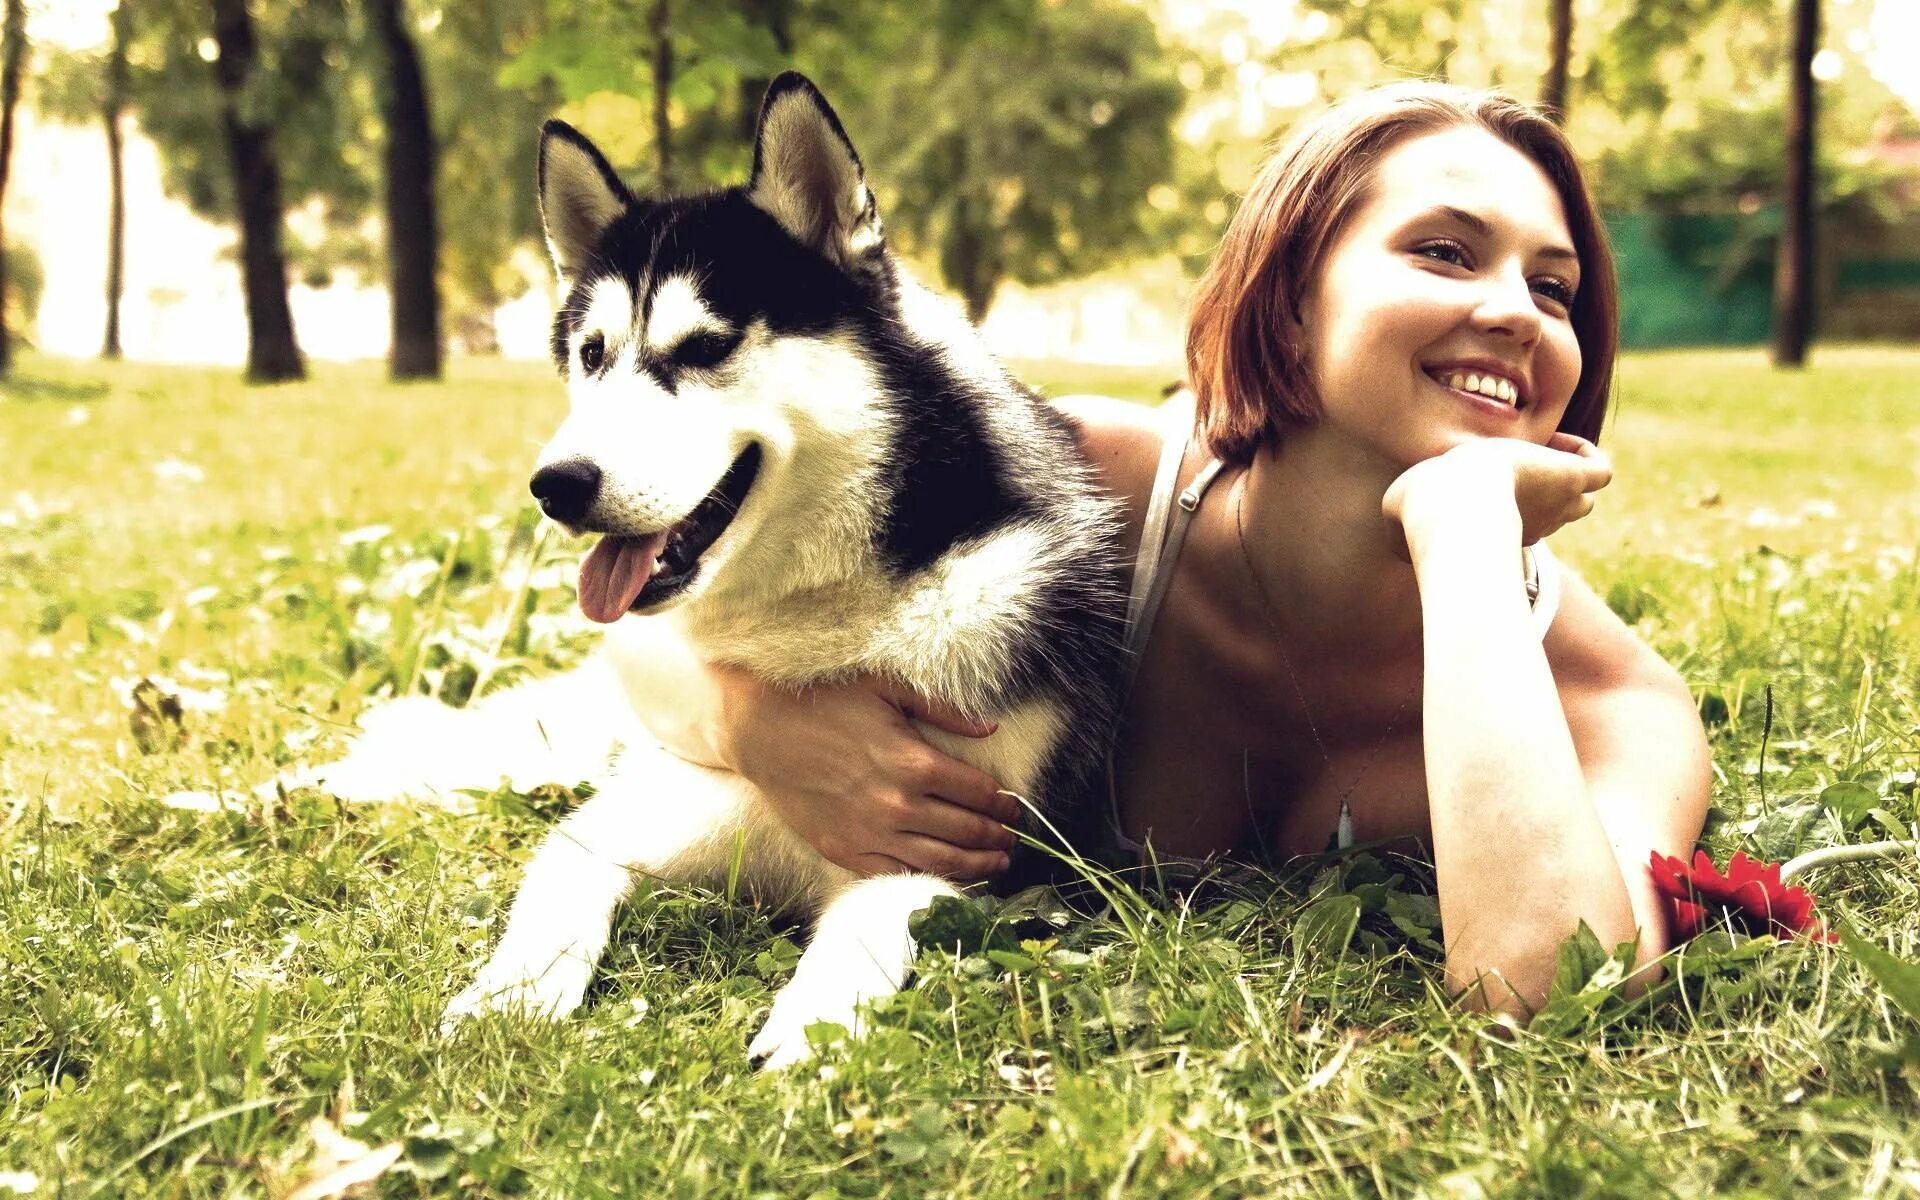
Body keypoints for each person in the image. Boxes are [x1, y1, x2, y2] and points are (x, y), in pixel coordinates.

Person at [612, 82, 1713, 1018]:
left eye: (1554, 287)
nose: (1518, 312)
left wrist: (1464, 530)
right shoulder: (1080, 475)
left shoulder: (1611, 700)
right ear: (1289, 304)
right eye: (1444, 251)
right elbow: (643, 639)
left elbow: (1545, 990)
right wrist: (754, 720)